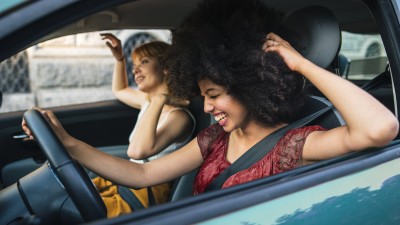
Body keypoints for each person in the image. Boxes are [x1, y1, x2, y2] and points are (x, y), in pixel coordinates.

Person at [22, 0, 398, 213]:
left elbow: (379, 129)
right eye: (203, 93)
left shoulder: (292, 147)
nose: (207, 105)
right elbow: (142, 174)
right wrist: (69, 145)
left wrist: (299, 63)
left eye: (214, 93)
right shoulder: (216, 138)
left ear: (251, 83)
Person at [91, 34, 195, 217]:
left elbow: (137, 152)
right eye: (134, 65)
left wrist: (160, 100)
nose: (135, 70)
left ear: (166, 68)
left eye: (144, 62)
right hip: (127, 180)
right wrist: (119, 58)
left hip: (143, 194)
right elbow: (120, 90)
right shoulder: (147, 101)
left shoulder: (178, 117)